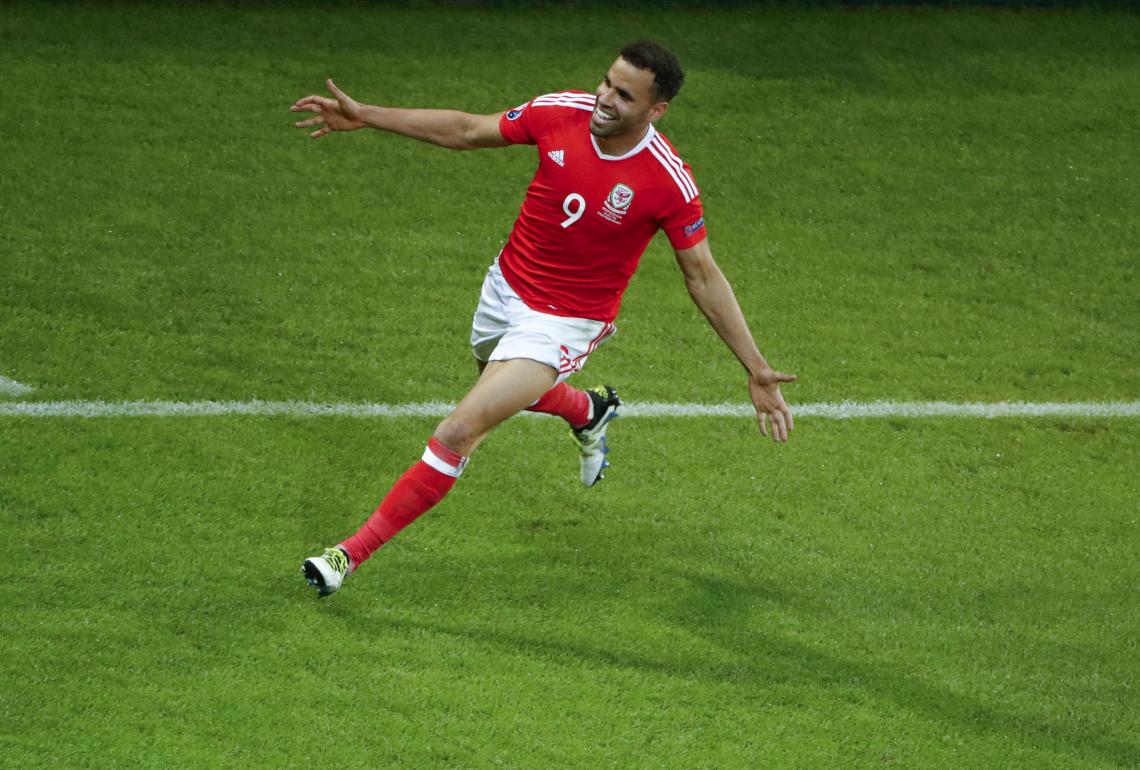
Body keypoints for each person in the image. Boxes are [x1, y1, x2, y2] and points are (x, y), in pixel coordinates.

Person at [292, 40, 796, 597]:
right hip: (504, 289)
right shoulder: (561, 112)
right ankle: (588, 409)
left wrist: (755, 365)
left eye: (624, 95)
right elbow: (467, 131)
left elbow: (701, 274)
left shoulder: (666, 180)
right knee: (494, 377)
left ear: (656, 111)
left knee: (461, 429)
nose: (604, 99)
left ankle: (346, 556)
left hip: (565, 323)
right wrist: (367, 115)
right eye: (606, 81)